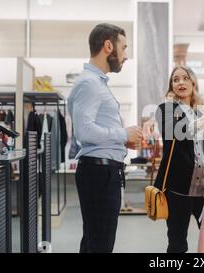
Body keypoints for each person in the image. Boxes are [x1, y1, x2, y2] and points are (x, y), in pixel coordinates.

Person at [67, 23, 142, 253]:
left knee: (95, 241)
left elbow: (92, 128)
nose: (126, 55)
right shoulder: (89, 84)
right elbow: (84, 132)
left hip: (102, 172)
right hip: (98, 173)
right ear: (108, 46)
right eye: (124, 47)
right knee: (100, 244)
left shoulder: (95, 83)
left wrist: (122, 141)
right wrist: (122, 134)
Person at [154, 66, 204, 253]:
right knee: (177, 241)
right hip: (178, 187)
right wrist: (202, 121)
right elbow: (177, 133)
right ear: (171, 86)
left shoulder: (199, 112)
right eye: (175, 79)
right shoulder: (165, 109)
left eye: (185, 78)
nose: (180, 82)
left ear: (193, 82)